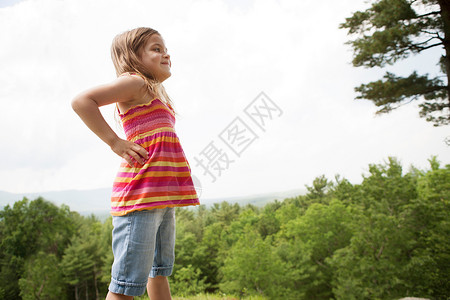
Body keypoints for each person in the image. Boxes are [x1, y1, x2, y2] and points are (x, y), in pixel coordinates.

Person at [71, 27, 200, 300]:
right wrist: (115, 142)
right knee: (126, 286)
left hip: (161, 198)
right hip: (140, 197)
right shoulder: (135, 82)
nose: (165, 54)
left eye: (164, 48)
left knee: (158, 272)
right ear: (133, 57)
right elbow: (82, 101)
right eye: (156, 48)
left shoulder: (156, 94)